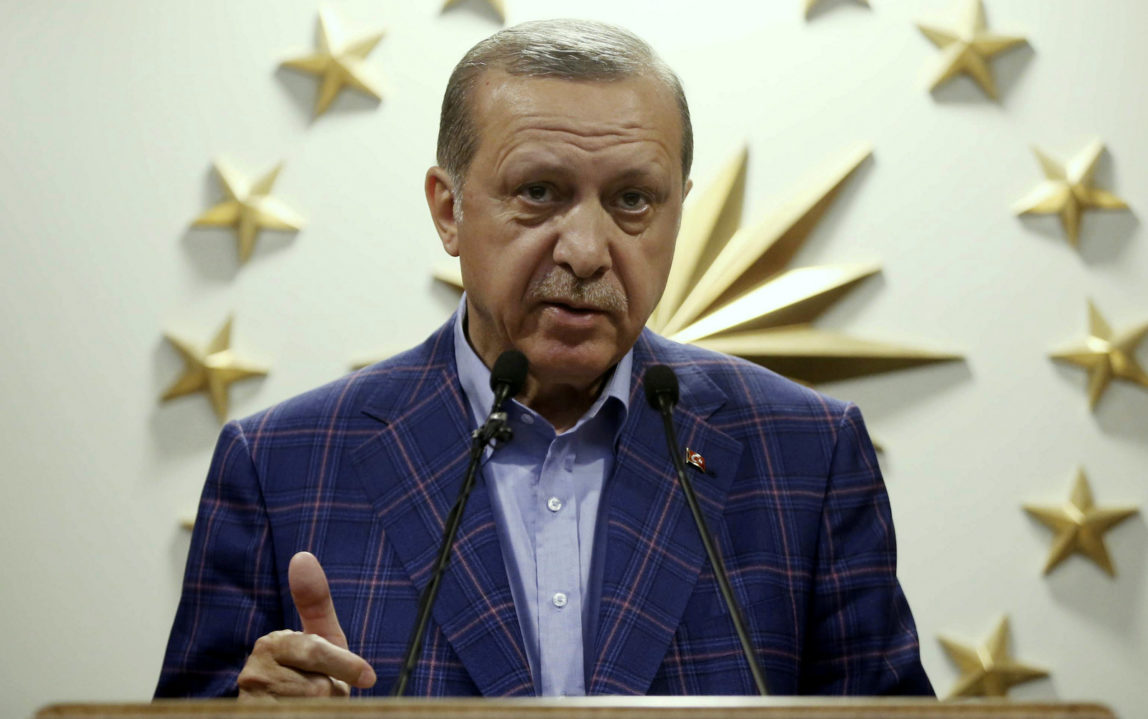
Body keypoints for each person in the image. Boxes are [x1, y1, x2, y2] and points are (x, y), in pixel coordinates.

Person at [156, 19, 933, 699]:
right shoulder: (277, 464)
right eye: (538, 191)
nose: (588, 251)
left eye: (633, 199)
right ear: (448, 209)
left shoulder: (809, 453)